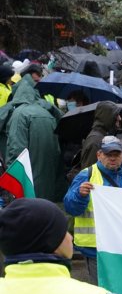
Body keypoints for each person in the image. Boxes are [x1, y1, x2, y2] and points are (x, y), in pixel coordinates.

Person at [64, 136, 122, 282]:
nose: (113, 158)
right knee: (100, 289)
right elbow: (70, 208)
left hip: (121, 246)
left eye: (116, 155)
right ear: (99, 155)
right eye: (108, 154)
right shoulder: (86, 175)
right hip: (94, 247)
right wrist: (79, 195)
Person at [0, 70, 65, 201]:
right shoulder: (48, 112)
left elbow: (16, 152)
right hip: (49, 188)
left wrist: (11, 188)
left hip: (27, 190)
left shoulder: (19, 114)